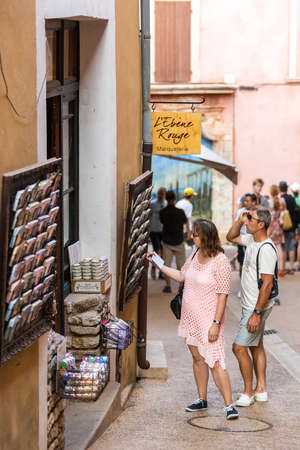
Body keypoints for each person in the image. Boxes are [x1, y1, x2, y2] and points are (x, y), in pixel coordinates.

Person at [148, 218, 239, 420]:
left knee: (215, 360)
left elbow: (223, 295)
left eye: (196, 234)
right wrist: (158, 263)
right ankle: (201, 399)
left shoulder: (220, 261)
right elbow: (181, 276)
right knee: (197, 359)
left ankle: (229, 405)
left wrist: (216, 324)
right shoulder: (195, 254)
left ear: (205, 236)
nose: (192, 236)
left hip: (209, 321)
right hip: (190, 319)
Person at [226, 207, 278, 407]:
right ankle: (261, 389)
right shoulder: (251, 241)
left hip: (256, 306)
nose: (247, 221)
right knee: (256, 345)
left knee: (239, 347)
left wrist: (256, 313)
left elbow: (267, 284)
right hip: (250, 304)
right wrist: (240, 221)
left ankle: (248, 392)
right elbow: (231, 236)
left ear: (261, 225)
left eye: (251, 218)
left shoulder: (266, 249)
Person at [159, 190, 190, 293]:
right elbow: (186, 222)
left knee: (166, 265)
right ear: (175, 199)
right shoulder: (180, 212)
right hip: (179, 240)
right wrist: (189, 233)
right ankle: (181, 287)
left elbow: (162, 221)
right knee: (181, 265)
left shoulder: (162, 212)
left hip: (167, 241)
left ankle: (168, 286)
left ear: (166, 199)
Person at [235, 193, 257, 296]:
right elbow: (236, 226)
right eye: (245, 201)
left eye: (248, 201)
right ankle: (242, 287)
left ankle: (252, 288)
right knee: (242, 265)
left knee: (253, 265)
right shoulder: (240, 212)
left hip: (254, 241)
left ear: (254, 202)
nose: (245, 202)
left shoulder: (258, 213)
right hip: (243, 241)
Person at [279, 181, 297, 274]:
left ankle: (282, 268)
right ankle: (291, 268)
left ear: (280, 189)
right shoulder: (291, 198)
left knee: (284, 248)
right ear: (286, 188)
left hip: (282, 227)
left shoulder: (280, 199)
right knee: (291, 247)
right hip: (292, 226)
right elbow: (296, 211)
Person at [149, 187, 166, 279]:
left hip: (163, 231)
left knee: (163, 252)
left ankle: (161, 272)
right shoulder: (152, 204)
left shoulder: (166, 204)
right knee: (157, 251)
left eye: (162, 194)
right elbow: (149, 216)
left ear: (165, 195)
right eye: (159, 193)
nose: (160, 195)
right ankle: (153, 269)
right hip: (154, 230)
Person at [269, 185, 284, 278]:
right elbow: (283, 213)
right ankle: (281, 269)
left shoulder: (269, 202)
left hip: (271, 227)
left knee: (270, 248)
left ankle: (272, 269)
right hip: (279, 226)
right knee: (279, 247)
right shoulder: (282, 201)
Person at [290, 182, 300, 270]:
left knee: (293, 243)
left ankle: (294, 264)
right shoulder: (299, 199)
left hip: (292, 225)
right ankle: (297, 262)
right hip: (299, 224)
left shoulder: (291, 199)